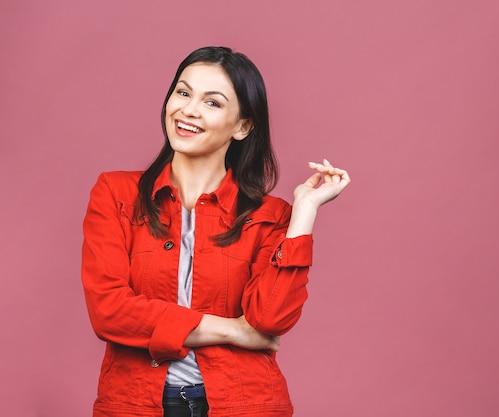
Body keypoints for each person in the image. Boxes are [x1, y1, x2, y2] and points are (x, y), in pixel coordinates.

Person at [81, 46, 350, 417]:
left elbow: (270, 320)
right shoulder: (116, 194)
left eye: (212, 103)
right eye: (183, 92)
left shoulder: (270, 216)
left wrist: (303, 212)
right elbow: (109, 311)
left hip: (243, 404)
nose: (188, 110)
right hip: (135, 403)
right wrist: (233, 331)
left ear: (243, 126)